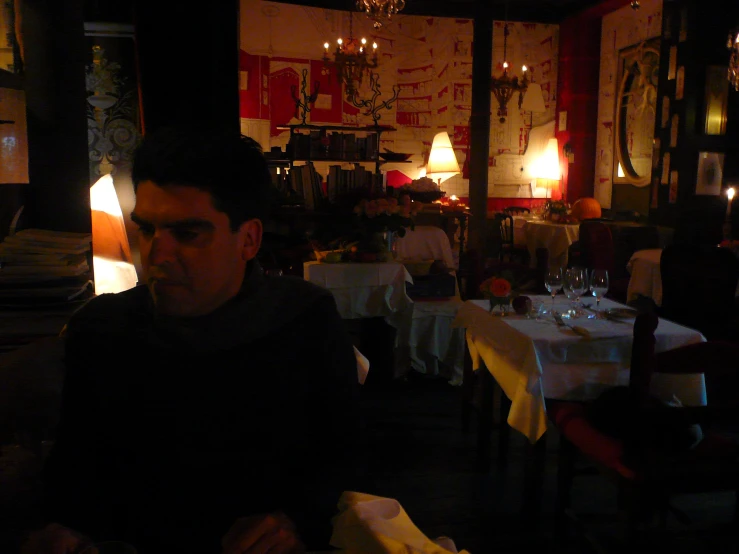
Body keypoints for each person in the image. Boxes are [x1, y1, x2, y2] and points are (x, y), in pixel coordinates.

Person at [22, 126, 362, 554]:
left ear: (249, 239)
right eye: (146, 230)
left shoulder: (303, 320)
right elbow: (75, 467)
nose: (156, 255)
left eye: (187, 234)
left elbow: (340, 456)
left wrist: (294, 521)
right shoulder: (102, 329)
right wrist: (62, 527)